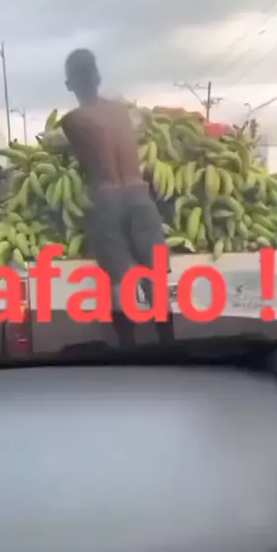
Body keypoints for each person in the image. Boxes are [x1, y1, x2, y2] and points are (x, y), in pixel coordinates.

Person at [43, 48, 174, 348]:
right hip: (141, 198)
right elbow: (138, 122)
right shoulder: (122, 111)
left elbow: (53, 142)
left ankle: (128, 347)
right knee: (154, 276)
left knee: (120, 276)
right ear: (98, 77)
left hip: (108, 200)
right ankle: (167, 342)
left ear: (69, 84)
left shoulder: (72, 121)